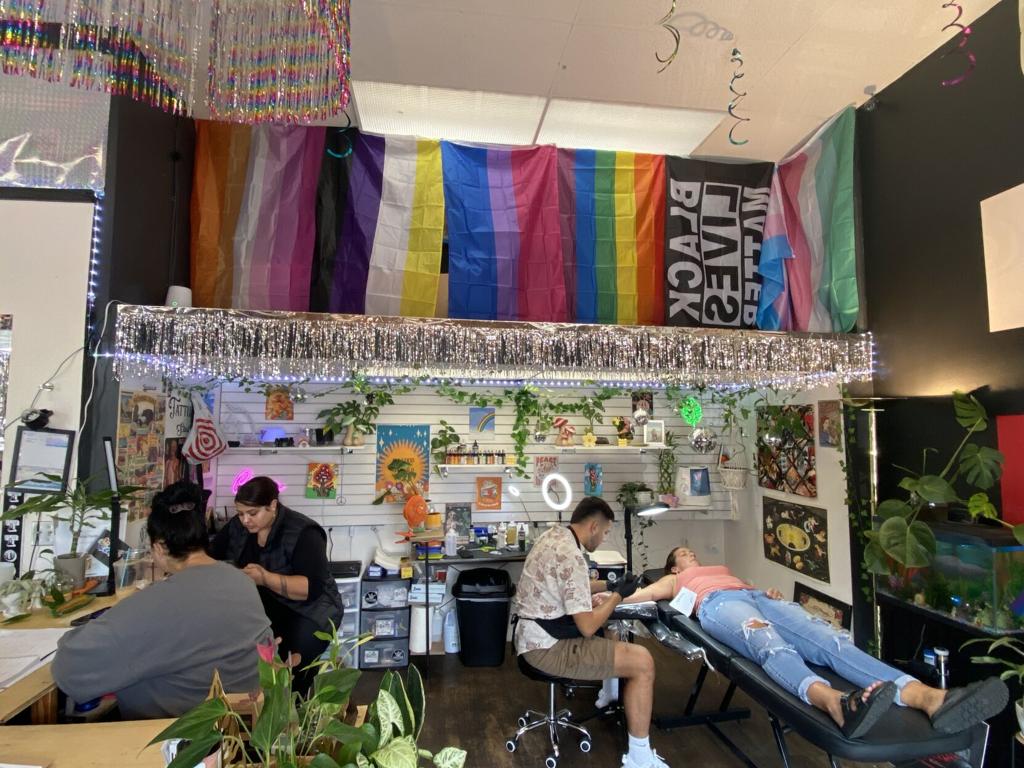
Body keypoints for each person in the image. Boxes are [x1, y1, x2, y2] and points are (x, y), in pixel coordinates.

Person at [625, 547, 1009, 738]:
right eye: (683, 554)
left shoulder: (722, 568)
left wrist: (766, 592)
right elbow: (642, 596)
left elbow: (749, 588)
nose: (691, 554)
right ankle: (834, 703)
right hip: (718, 606)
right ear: (673, 566)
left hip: (754, 596)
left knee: (830, 641)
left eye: (692, 551)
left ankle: (927, 696)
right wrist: (608, 600)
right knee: (769, 644)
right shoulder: (674, 580)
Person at [52, 481, 271, 719]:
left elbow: (69, 670)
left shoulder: (157, 603)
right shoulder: (241, 582)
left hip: (177, 732)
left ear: (159, 547)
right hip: (245, 727)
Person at [513, 497, 669, 768]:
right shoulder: (572, 556)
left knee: (610, 628)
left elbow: (572, 584)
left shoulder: (553, 536)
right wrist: (618, 596)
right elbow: (587, 627)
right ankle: (639, 758)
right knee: (642, 661)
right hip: (546, 648)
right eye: (606, 532)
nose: (604, 538)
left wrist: (609, 585)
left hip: (529, 637)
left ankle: (609, 693)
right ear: (594, 526)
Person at [211, 476, 343, 694]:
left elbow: (310, 589)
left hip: (310, 612)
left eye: (252, 513)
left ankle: (298, 706)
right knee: (259, 669)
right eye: (240, 513)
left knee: (293, 674)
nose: (245, 520)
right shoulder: (238, 526)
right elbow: (211, 555)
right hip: (266, 609)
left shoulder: (304, 532)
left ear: (272, 505)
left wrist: (265, 578)